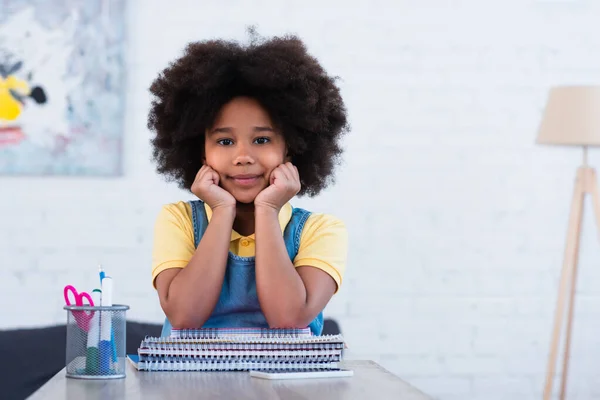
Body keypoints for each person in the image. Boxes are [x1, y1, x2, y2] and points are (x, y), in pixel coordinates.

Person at [148, 31, 350, 336]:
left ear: (290, 148)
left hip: (285, 383)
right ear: (200, 151)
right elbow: (184, 316)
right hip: (189, 383)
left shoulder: (321, 231)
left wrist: (268, 209)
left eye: (262, 139)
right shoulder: (178, 221)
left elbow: (288, 318)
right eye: (225, 141)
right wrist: (222, 210)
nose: (243, 156)